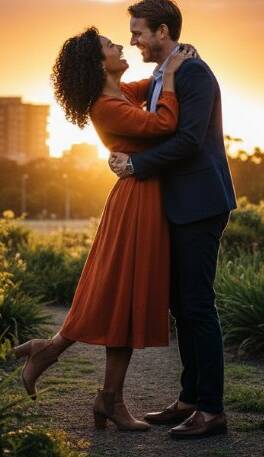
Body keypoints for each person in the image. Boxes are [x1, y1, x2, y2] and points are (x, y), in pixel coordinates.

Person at [13, 25, 197, 432]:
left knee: (124, 300)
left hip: (144, 201)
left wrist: (173, 60)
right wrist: (169, 76)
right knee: (120, 296)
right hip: (136, 204)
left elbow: (149, 87)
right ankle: (97, 389)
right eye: (110, 45)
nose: (119, 45)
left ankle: (102, 393)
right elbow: (164, 124)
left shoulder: (120, 94)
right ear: (99, 64)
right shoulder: (106, 105)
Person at [109, 0, 237, 439]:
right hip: (180, 203)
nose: (133, 40)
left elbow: (188, 141)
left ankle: (212, 410)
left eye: (138, 32)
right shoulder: (164, 74)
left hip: (200, 202)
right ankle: (189, 398)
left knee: (198, 305)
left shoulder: (195, 73)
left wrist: (136, 166)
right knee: (183, 306)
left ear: (163, 32)